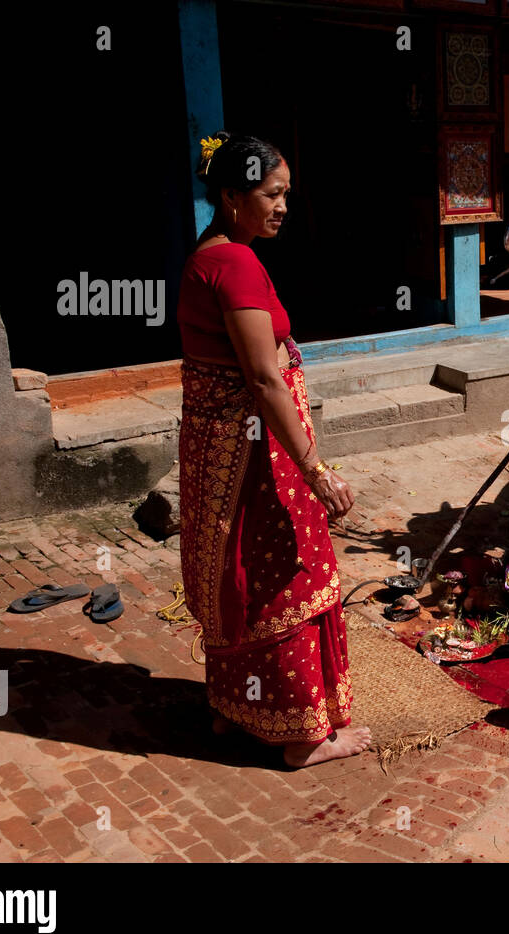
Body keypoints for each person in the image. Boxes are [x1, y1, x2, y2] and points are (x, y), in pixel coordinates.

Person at [176, 131, 371, 767]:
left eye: (288, 193)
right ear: (232, 196)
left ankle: (238, 711)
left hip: (225, 451)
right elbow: (261, 377)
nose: (284, 206)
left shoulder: (209, 254)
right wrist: (314, 469)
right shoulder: (234, 264)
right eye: (272, 194)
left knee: (243, 581)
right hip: (256, 457)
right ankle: (300, 735)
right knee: (291, 574)